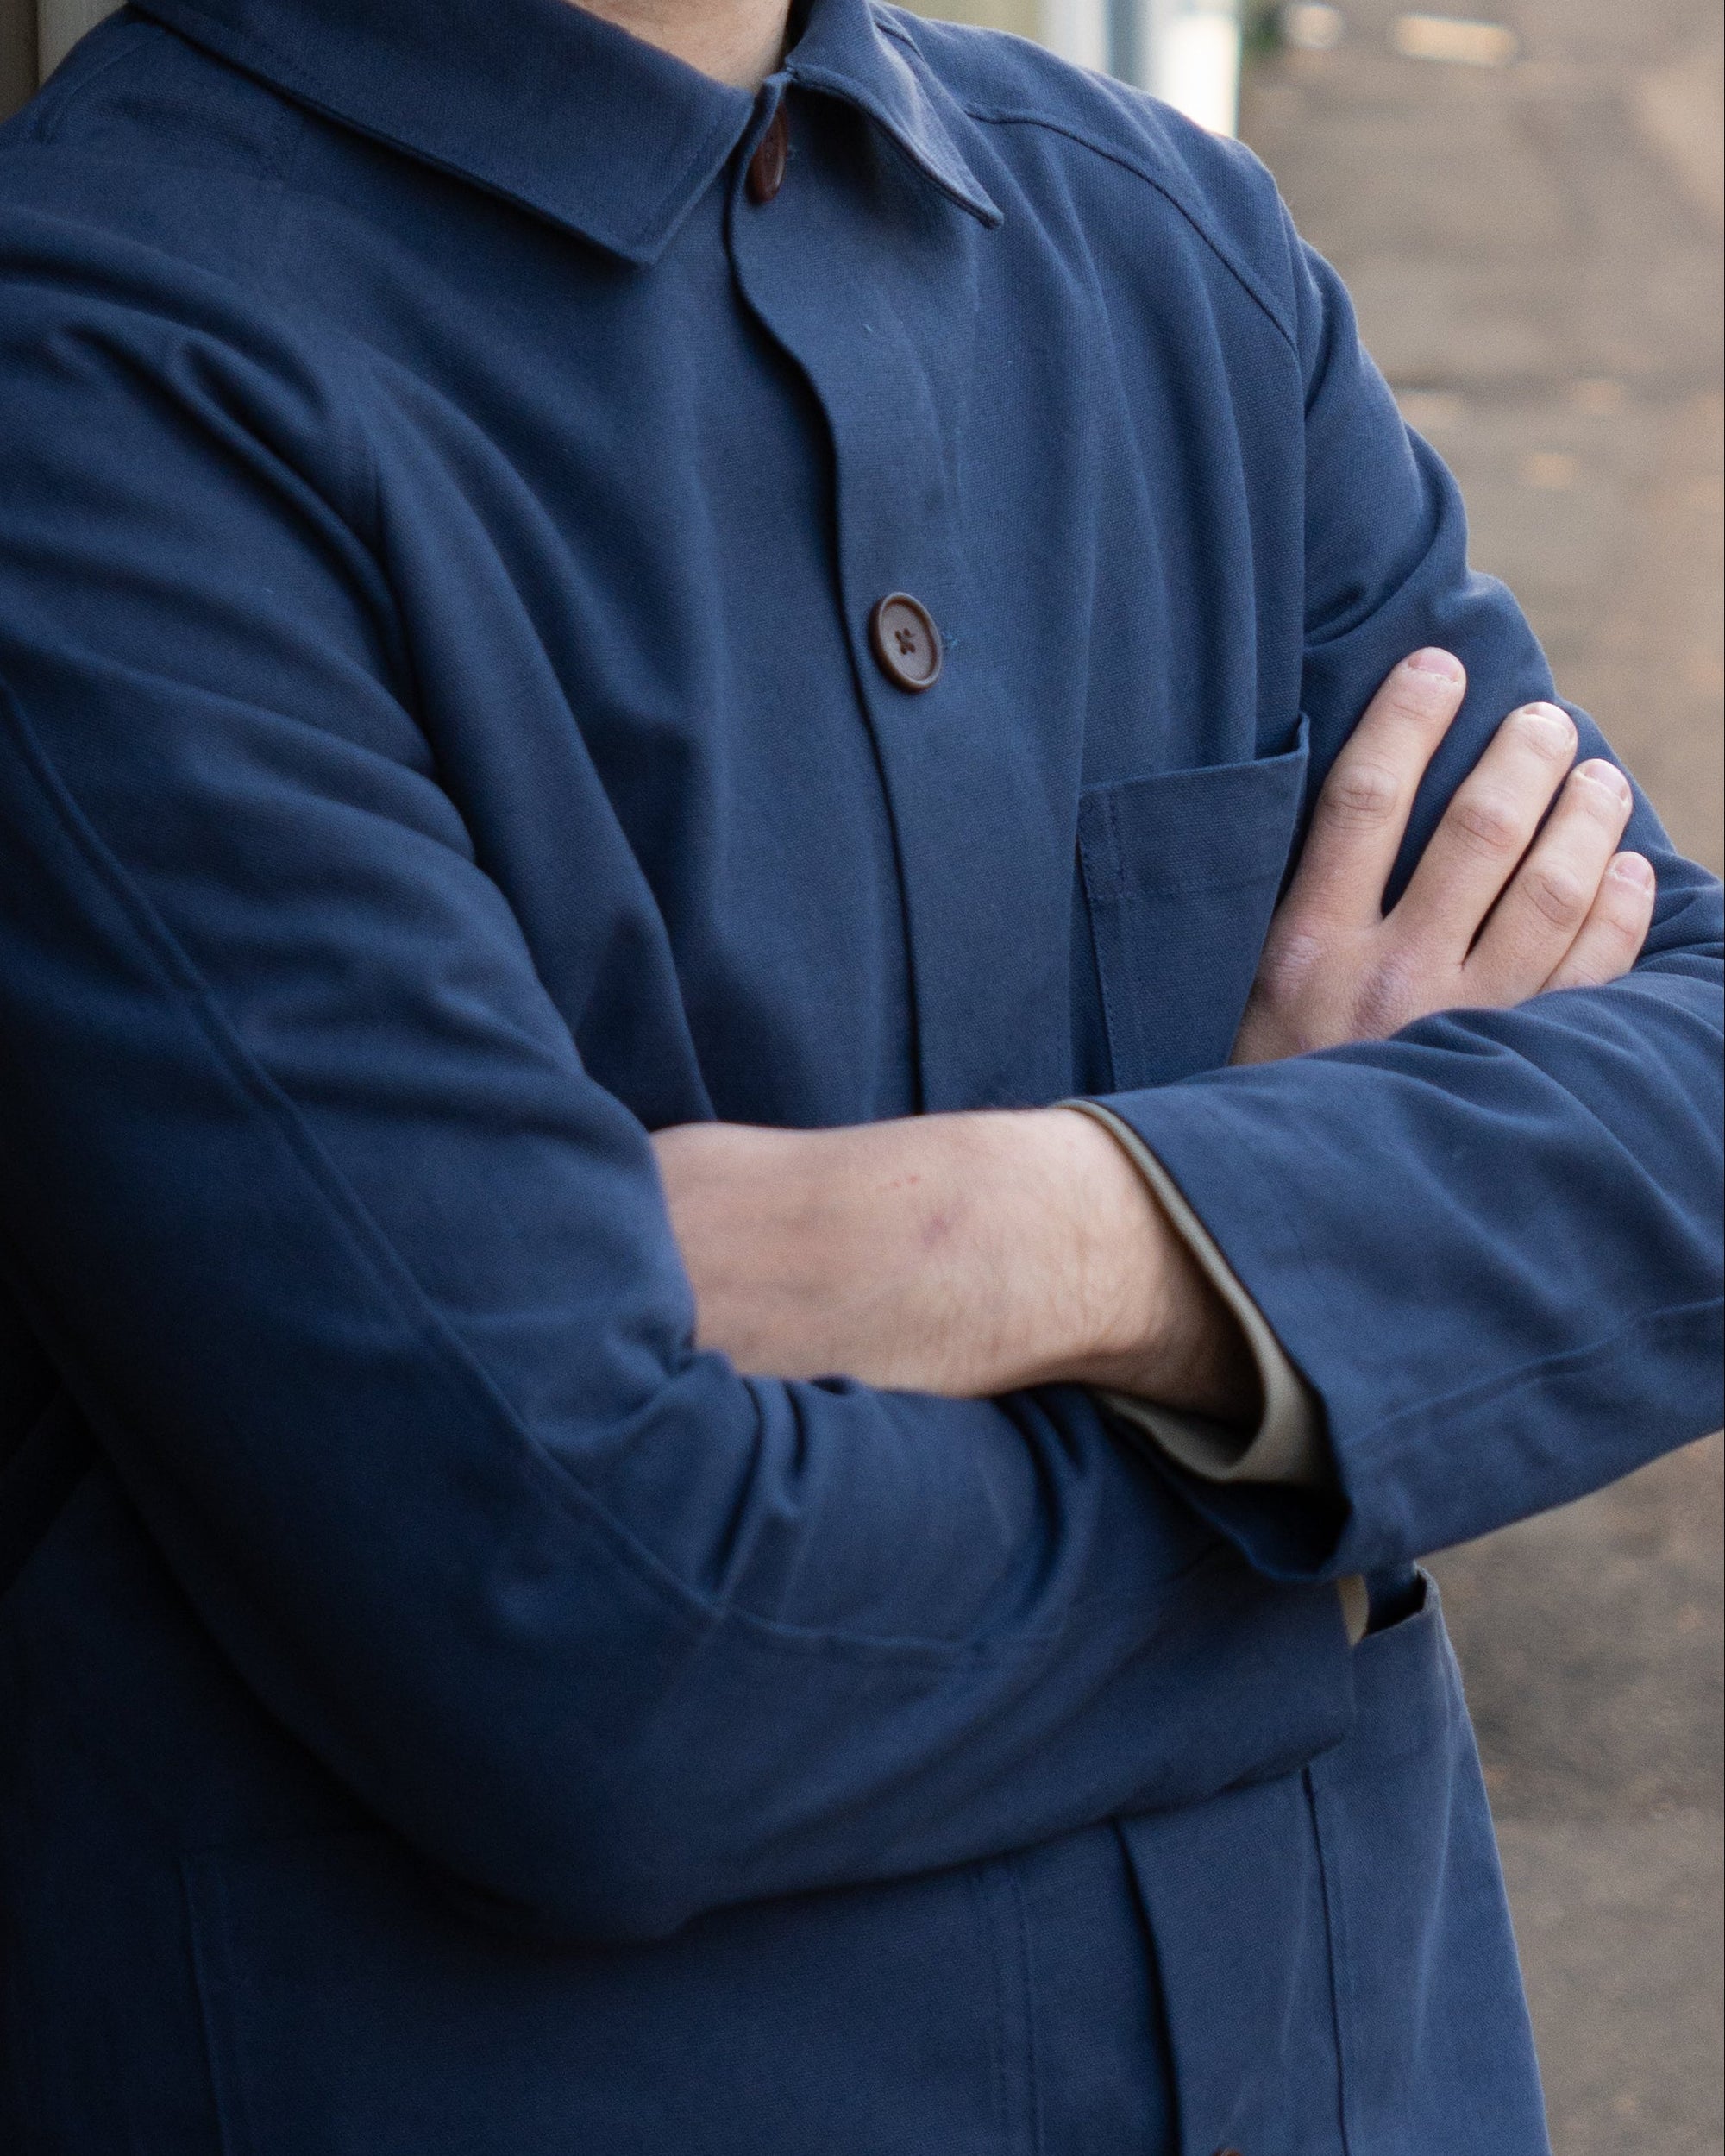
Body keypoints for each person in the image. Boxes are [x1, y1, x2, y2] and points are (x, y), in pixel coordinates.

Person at [0, 0, 1717, 2148]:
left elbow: (1698, 1080)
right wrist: (1335, 1442)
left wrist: (1065, 1230)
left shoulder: (1172, 249)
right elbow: (603, 1648)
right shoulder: (93, 370)